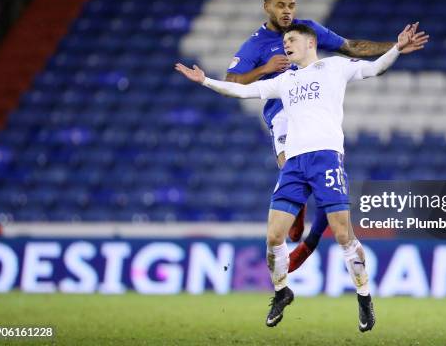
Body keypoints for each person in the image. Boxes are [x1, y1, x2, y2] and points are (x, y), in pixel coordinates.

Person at [175, 22, 428, 331]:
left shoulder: (335, 67)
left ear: (310, 43)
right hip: (294, 165)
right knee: (273, 237)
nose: (286, 45)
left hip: (326, 160)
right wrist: (205, 81)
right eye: (284, 41)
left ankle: (364, 298)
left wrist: (397, 49)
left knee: (344, 235)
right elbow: (242, 90)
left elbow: (375, 69)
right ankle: (282, 292)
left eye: (291, 40)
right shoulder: (285, 81)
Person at [226, 0, 419, 272]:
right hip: (282, 113)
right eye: (280, 5)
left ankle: (309, 241)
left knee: (328, 189)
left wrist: (395, 46)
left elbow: (350, 46)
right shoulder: (255, 44)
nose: (287, 11)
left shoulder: (308, 31)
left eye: (291, 5)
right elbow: (232, 83)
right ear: (266, 6)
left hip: (318, 112)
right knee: (290, 167)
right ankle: (298, 215)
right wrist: (265, 69)